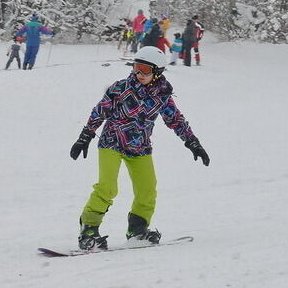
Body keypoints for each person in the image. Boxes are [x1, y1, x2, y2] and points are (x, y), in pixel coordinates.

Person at [70, 46, 209, 251]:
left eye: (145, 69)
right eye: (136, 67)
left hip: (140, 147)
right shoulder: (120, 88)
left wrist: (192, 142)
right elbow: (99, 111)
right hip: (112, 142)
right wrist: (85, 136)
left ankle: (137, 230)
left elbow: (176, 120)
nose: (139, 74)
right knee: (107, 188)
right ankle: (88, 229)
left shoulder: (162, 96)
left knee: (147, 190)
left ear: (157, 72)